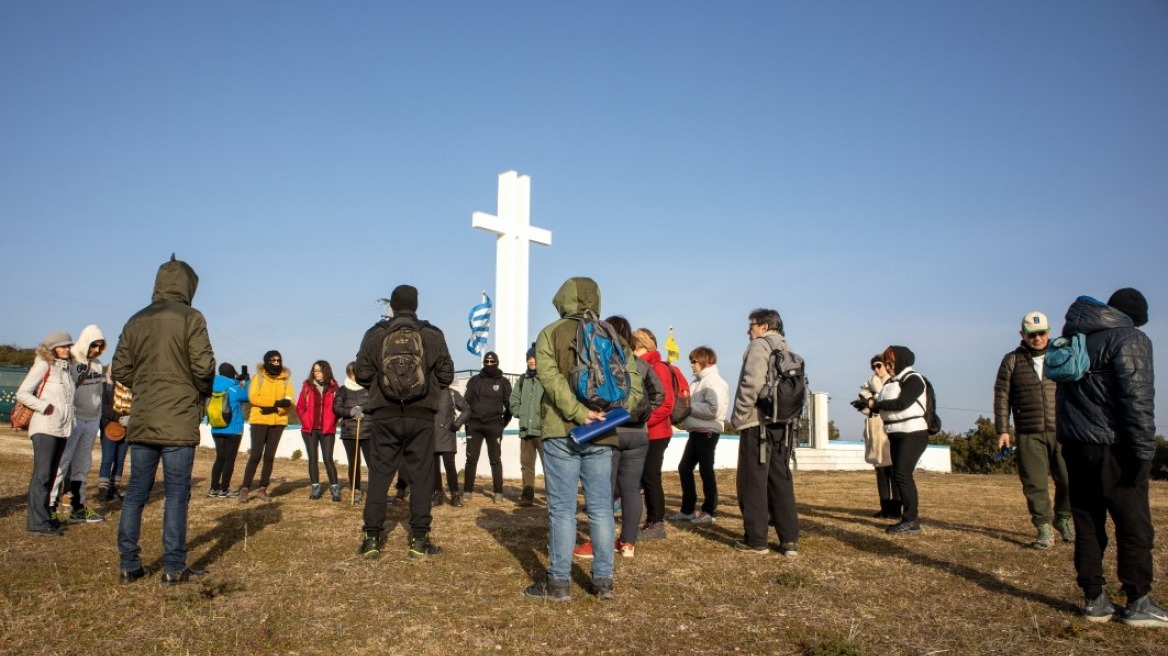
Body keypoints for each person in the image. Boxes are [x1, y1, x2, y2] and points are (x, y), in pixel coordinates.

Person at [523, 277, 642, 602]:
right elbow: (634, 385)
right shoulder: (613, 335)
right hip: (603, 433)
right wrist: (614, 413)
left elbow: (548, 377)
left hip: (561, 430)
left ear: (563, 299)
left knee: (562, 509)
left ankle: (558, 583)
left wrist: (577, 412)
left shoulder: (551, 332)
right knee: (602, 508)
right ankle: (604, 582)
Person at [1055, 289, 1165, 627]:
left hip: (1075, 445)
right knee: (1134, 525)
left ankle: (1094, 599)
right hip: (1114, 446)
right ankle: (1138, 600)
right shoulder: (1131, 339)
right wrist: (1145, 451)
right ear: (1136, 317)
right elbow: (1137, 400)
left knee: (1088, 522)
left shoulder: (1077, 339)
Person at [113, 255, 216, 584]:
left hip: (143, 417)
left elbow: (120, 370)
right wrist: (196, 393)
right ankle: (173, 566)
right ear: (189, 285)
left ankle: (129, 564)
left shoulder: (135, 319)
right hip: (179, 417)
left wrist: (145, 385)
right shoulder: (191, 317)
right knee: (175, 494)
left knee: (135, 494)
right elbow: (204, 368)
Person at [354, 284, 454, 559]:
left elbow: (362, 373)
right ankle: (419, 541)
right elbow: (447, 375)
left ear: (393, 305)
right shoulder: (431, 333)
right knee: (422, 477)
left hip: (384, 414)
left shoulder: (376, 333)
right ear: (416, 305)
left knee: (379, 476)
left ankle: (372, 539)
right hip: (421, 414)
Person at [574, 315, 658, 561]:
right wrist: (641, 413)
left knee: (604, 491)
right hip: (639, 433)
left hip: (611, 432)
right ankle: (628, 543)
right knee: (632, 490)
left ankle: (599, 544)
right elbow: (659, 394)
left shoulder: (601, 360)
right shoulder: (640, 364)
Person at [993, 311, 1072, 549]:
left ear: (1049, 332)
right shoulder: (1012, 360)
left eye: (1041, 333)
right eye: (1031, 334)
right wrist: (1003, 429)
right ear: (1022, 335)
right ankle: (1044, 529)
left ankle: (1064, 517)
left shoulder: (1063, 355)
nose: (1037, 338)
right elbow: (1002, 396)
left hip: (1063, 429)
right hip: (1028, 431)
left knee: (1069, 480)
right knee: (1035, 483)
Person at [731, 309, 800, 555]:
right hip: (783, 422)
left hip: (757, 422)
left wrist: (739, 415)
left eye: (751, 325)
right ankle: (789, 540)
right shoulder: (788, 348)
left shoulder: (759, 346)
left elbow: (752, 383)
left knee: (753, 482)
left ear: (763, 326)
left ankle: (756, 540)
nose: (748, 330)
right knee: (780, 480)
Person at [864, 345, 930, 536]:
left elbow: (902, 403)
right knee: (900, 475)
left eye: (890, 362)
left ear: (901, 361)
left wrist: (874, 404)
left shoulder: (914, 379)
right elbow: (883, 405)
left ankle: (911, 520)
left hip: (913, 433)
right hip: (895, 433)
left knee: (902, 475)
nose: (888, 366)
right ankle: (908, 518)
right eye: (886, 363)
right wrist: (868, 405)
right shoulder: (892, 382)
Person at [20, 331, 76, 537]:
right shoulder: (43, 364)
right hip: (44, 427)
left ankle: (44, 518)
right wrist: (45, 407)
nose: (67, 349)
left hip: (61, 428)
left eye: (68, 346)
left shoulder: (66, 370)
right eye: (62, 346)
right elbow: (23, 392)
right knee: (42, 475)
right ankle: (37, 522)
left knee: (51, 476)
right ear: (51, 348)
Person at [49, 325, 107, 524]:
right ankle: (50, 507)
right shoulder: (70, 361)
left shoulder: (98, 364)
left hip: (91, 420)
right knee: (62, 463)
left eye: (100, 346)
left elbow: (99, 392)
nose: (96, 350)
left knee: (82, 465)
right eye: (94, 345)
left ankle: (78, 507)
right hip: (73, 419)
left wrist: (99, 416)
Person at [671, 345, 730, 525]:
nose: (691, 365)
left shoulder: (715, 382)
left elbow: (715, 409)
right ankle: (688, 510)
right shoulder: (697, 382)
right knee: (684, 468)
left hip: (708, 432)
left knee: (706, 471)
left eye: (694, 361)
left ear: (705, 361)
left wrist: (688, 408)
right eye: (690, 361)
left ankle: (708, 512)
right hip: (696, 431)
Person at [632, 328, 675, 540]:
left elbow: (666, 404)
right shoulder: (643, 367)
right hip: (647, 431)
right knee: (643, 477)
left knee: (650, 476)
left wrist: (642, 422)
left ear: (643, 347)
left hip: (656, 432)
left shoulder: (658, 368)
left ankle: (656, 522)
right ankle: (645, 519)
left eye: (634, 348)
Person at [239, 350, 293, 503]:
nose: (276, 363)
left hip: (278, 422)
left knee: (269, 457)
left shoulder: (286, 380)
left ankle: (263, 489)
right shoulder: (259, 378)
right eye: (273, 360)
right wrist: (274, 404)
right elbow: (253, 397)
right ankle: (245, 488)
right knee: (255, 455)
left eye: (278, 360)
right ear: (266, 361)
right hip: (259, 420)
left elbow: (290, 400)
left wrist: (277, 409)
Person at [850, 355, 900, 519]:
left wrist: (874, 396)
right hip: (874, 429)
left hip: (889, 428)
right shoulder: (869, 383)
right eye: (874, 367)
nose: (876, 370)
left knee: (894, 471)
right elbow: (863, 403)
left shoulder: (894, 382)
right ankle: (885, 507)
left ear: (886, 365)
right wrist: (869, 401)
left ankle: (896, 509)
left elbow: (889, 402)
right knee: (880, 471)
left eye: (879, 366)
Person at [462, 351, 512, 503]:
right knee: (471, 459)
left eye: (492, 362)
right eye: (487, 362)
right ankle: (467, 491)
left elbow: (510, 405)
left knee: (495, 460)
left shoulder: (503, 382)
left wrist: (503, 423)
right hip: (475, 425)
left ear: (497, 362)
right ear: (483, 363)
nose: (489, 364)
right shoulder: (474, 381)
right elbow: (466, 403)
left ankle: (498, 492)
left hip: (494, 425)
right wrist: (467, 422)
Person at [297, 360, 341, 501]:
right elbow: (300, 407)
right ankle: (315, 489)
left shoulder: (334, 388)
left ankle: (335, 489)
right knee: (313, 459)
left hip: (327, 430)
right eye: (314, 370)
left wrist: (332, 421)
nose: (316, 373)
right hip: (309, 430)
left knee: (328, 459)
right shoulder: (307, 387)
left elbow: (338, 408)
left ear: (326, 371)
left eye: (319, 371)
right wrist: (305, 420)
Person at [509, 345, 544, 507]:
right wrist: (520, 412)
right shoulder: (522, 380)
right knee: (526, 466)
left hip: (543, 431)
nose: (531, 361)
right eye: (529, 358)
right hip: (525, 430)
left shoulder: (546, 378)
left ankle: (553, 499)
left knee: (549, 467)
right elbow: (513, 400)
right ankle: (527, 497)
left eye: (534, 358)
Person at [207, 363, 249, 498]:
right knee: (229, 459)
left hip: (216, 428)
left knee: (219, 458)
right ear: (232, 373)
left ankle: (214, 488)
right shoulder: (236, 388)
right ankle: (224, 489)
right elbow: (248, 397)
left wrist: (237, 379)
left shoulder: (212, 386)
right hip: (233, 429)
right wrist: (246, 381)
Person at [334, 361, 371, 503]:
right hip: (349, 431)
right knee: (353, 463)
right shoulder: (342, 390)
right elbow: (336, 408)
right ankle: (356, 489)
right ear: (350, 374)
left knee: (373, 463)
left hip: (369, 431)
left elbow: (375, 404)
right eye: (355, 374)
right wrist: (350, 411)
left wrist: (363, 409)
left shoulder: (369, 388)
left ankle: (376, 491)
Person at [95, 371, 130, 503]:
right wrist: (119, 418)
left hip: (126, 428)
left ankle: (114, 489)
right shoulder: (105, 387)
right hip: (109, 427)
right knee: (108, 459)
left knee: (120, 460)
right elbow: (103, 407)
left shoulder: (129, 389)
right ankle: (103, 490)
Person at [434, 386, 469, 506]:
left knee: (450, 466)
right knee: (433, 468)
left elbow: (466, 409)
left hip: (447, 435)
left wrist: (457, 424)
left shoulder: (452, 393)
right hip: (430, 435)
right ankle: (438, 495)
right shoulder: (426, 392)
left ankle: (455, 495)